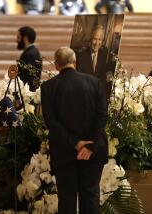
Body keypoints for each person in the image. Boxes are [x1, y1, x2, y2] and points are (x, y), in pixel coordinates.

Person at [41, 47, 108, 214]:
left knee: (67, 199)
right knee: (91, 197)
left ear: (56, 65)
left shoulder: (48, 87)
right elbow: (102, 117)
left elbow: (52, 123)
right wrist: (90, 145)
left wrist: (76, 143)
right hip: (93, 152)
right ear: (75, 62)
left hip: (64, 152)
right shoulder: (95, 83)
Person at [16, 26, 42, 91]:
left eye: (18, 37)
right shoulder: (31, 52)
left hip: (28, 93)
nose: (16, 40)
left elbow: (30, 78)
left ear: (25, 38)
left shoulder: (30, 55)